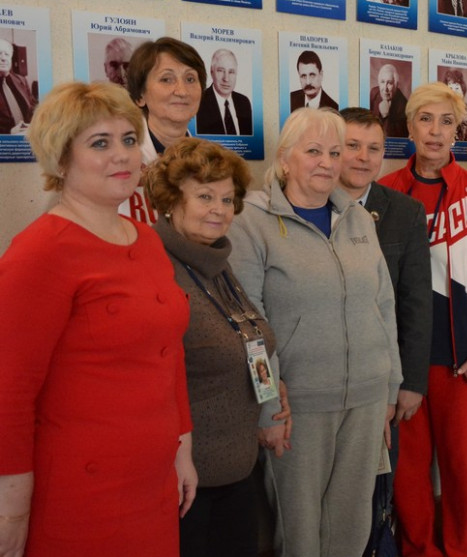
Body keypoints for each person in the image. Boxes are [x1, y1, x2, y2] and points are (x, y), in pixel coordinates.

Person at [0, 81, 195, 556]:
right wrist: (12, 510)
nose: (122, 155)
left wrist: (183, 449)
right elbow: (9, 391)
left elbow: (167, 355)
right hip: (79, 492)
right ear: (61, 160)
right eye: (100, 143)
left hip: (153, 481)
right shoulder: (40, 251)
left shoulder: (146, 240)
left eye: (128, 139)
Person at [227, 108, 402, 556]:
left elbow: (384, 304)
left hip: (366, 401)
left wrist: (390, 388)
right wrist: (267, 406)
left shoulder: (357, 218)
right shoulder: (250, 222)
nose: (327, 162)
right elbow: (247, 327)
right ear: (285, 159)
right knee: (300, 534)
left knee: (352, 527)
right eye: (313, 151)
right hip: (297, 408)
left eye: (335, 152)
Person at [379, 82, 467, 557]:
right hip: (402, 364)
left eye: (446, 121)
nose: (435, 131)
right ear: (409, 127)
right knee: (407, 477)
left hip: (466, 362)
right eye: (425, 119)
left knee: (464, 475)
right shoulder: (384, 193)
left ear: (457, 131)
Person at [143, 137, 291, 557]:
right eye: (205, 196)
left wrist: (269, 395)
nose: (220, 209)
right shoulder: (155, 266)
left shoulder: (216, 261)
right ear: (171, 200)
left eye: (227, 199)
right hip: (184, 481)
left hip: (237, 468)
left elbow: (246, 339)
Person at [335, 107, 433, 554]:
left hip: (381, 380)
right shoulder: (309, 204)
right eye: (352, 146)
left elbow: (416, 303)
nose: (363, 157)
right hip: (323, 378)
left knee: (375, 495)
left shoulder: (405, 212)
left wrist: (411, 382)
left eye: (373, 148)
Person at [124, 37, 206, 224]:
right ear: (140, 96)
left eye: (190, 79)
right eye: (167, 79)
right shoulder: (119, 159)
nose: (182, 91)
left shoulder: (212, 162)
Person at [196, 49, 251, 136]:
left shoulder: (244, 103)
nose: (226, 79)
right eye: (220, 70)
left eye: (231, 72)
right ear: (211, 72)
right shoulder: (199, 102)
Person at [0, 38, 36, 134]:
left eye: (7, 54)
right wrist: (9, 132)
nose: (3, 58)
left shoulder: (22, 80)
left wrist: (34, 125)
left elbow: (33, 108)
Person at [370, 63, 409, 138]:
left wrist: (387, 116)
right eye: (382, 82)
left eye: (389, 83)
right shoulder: (373, 93)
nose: (385, 88)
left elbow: (398, 137)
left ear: (396, 85)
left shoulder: (404, 106)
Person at [442, 69, 467, 142]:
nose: (454, 92)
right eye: (450, 88)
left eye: (457, 88)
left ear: (462, 90)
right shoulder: (441, 111)